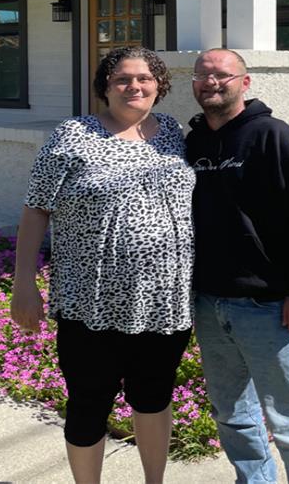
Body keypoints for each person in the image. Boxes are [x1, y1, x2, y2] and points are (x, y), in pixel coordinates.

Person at [10, 46, 196, 484]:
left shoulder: (171, 132)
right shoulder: (74, 134)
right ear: (105, 87)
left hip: (162, 304)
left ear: (159, 85)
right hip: (89, 306)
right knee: (88, 405)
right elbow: (36, 208)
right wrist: (24, 283)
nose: (134, 86)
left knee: (153, 399)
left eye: (144, 78)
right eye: (122, 79)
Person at [186, 48, 289, 484]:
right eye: (202, 75)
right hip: (208, 301)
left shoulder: (273, 136)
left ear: (245, 82)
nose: (211, 82)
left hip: (267, 305)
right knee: (232, 412)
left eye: (222, 75)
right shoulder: (193, 142)